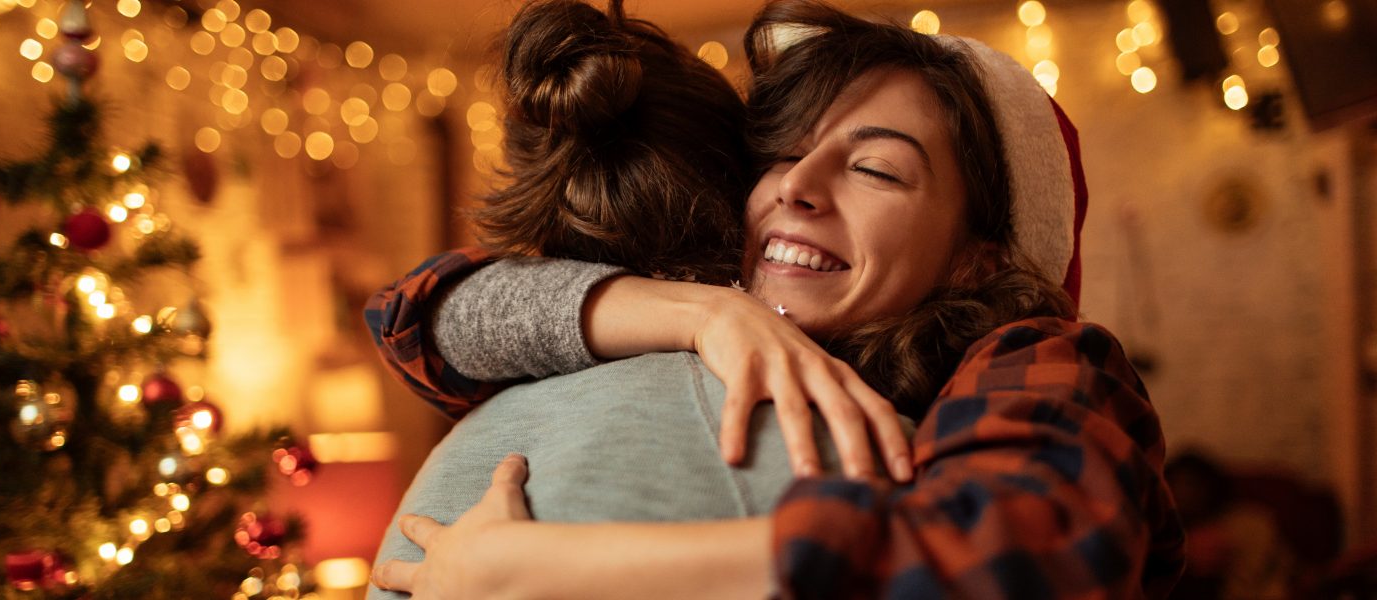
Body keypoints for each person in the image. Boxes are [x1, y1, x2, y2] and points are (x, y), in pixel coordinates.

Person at [366, 0, 1186, 597]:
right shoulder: (717, 312)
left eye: (875, 169)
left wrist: (538, 569)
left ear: (980, 256)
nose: (796, 186)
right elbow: (417, 318)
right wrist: (702, 314)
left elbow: (1026, 556)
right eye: (781, 154)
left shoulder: (1039, 358)